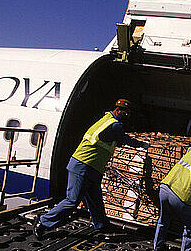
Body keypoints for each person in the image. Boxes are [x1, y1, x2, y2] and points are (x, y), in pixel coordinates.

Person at [34, 99, 149, 239]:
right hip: (83, 165)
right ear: (118, 111)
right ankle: (43, 221)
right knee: (72, 201)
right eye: (126, 113)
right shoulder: (115, 126)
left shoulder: (106, 118)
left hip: (93, 167)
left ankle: (101, 225)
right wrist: (141, 144)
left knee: (95, 198)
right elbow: (124, 139)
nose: (127, 117)